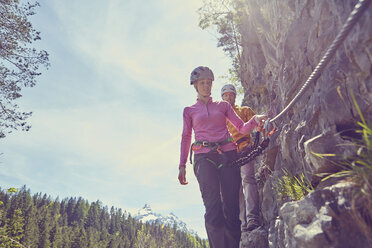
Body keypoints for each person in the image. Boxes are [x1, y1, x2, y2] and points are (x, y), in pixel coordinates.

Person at [178, 66, 267, 248]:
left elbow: (241, 127)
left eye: (209, 83)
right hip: (203, 157)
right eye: (202, 83)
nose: (206, 86)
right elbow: (186, 137)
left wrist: (254, 119)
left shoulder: (223, 106)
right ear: (195, 85)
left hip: (227, 154)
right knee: (213, 207)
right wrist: (182, 165)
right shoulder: (189, 110)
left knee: (232, 208)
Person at [221, 84, 260, 232]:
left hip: (244, 149)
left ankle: (252, 219)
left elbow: (255, 124)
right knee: (235, 189)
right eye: (226, 95)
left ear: (234, 96)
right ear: (222, 98)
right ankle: (242, 224)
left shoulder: (244, 111)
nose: (228, 97)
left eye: (231, 94)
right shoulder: (220, 118)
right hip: (228, 154)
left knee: (248, 180)